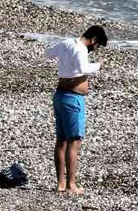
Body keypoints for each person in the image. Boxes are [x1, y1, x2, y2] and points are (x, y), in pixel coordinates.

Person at [44, 25, 108, 196]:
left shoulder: (66, 43)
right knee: (74, 142)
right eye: (97, 46)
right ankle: (71, 185)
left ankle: (61, 183)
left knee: (61, 141)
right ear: (94, 39)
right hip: (73, 99)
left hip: (60, 96)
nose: (95, 49)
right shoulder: (80, 49)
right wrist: (99, 65)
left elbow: (48, 53)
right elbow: (82, 69)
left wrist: (66, 64)